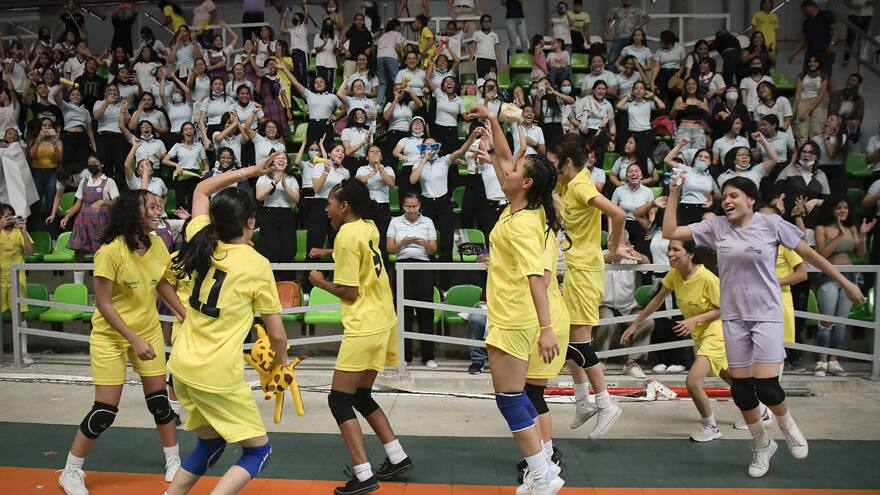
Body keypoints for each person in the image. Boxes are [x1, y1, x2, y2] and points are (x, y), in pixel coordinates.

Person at [663, 175, 865, 477]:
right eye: (724, 197)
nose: (727, 201)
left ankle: (787, 424)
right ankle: (762, 444)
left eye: (734, 195)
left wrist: (846, 283)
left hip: (767, 314)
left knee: (768, 387)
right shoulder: (717, 227)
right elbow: (670, 231)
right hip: (734, 317)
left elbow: (810, 256)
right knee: (742, 390)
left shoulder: (772, 224)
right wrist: (674, 193)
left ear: (751, 199)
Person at [165, 151, 287, 495]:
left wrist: (251, 171)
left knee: (210, 444)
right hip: (216, 373)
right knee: (259, 451)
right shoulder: (256, 264)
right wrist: (280, 363)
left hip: (181, 366)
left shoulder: (202, 237)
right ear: (250, 222)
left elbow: (202, 189)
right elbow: (277, 334)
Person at [58, 190, 185, 495]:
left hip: (148, 331)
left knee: (159, 403)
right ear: (132, 214)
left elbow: (163, 283)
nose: (158, 211)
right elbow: (103, 303)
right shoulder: (110, 251)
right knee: (105, 410)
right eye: (151, 207)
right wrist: (133, 339)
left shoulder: (158, 245)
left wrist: (186, 316)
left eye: (158, 205)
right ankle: (71, 471)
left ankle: (174, 461)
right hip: (111, 337)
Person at [466, 104, 565, 494]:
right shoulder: (524, 209)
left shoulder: (523, 223)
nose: (507, 170)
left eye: (516, 170)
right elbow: (506, 159)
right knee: (519, 396)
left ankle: (542, 474)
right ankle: (545, 468)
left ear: (526, 183)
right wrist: (492, 120)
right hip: (514, 315)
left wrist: (546, 328)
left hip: (514, 318)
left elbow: (537, 278)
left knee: (509, 399)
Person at [308, 178, 414, 495]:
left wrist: (320, 282)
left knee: (339, 400)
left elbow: (350, 292)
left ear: (344, 206)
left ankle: (364, 474)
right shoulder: (368, 226)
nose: (326, 209)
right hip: (384, 320)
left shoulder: (345, 236)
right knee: (361, 396)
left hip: (364, 324)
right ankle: (397, 456)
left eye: (330, 203)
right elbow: (360, 252)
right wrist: (329, 251)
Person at [545, 134, 626, 439]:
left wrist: (614, 249)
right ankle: (582, 402)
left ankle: (606, 404)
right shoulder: (572, 183)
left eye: (555, 164)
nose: (553, 169)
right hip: (575, 269)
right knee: (567, 341)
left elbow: (618, 214)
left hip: (584, 272)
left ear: (567, 162)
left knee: (579, 345)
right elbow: (562, 205)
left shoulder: (580, 186)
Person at [622, 239, 732, 441]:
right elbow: (657, 300)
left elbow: (724, 308)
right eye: (669, 249)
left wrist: (694, 320)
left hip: (716, 333)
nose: (670, 254)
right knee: (727, 375)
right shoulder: (674, 274)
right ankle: (758, 407)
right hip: (700, 334)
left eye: (676, 250)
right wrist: (635, 324)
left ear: (690, 254)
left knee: (693, 382)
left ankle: (711, 426)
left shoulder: (707, 278)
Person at [813, 197, 874, 377]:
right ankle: (821, 361)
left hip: (850, 278)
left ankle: (834, 361)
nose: (842, 211)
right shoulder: (821, 228)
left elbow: (861, 253)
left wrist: (862, 235)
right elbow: (821, 255)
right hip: (829, 277)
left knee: (841, 322)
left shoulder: (852, 228)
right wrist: (839, 236)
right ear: (830, 209)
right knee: (826, 321)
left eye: (845, 208)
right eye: (838, 207)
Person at [387, 193, 438, 366]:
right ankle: (404, 356)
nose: (411, 210)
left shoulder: (428, 222)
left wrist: (422, 242)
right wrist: (403, 243)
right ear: (403, 207)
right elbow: (390, 249)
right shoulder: (395, 222)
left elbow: (433, 250)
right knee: (403, 312)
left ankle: (428, 357)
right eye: (408, 207)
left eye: (414, 206)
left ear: (419, 205)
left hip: (423, 267)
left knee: (426, 312)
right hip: (402, 266)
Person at [593, 233, 653, 378]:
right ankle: (601, 360)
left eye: (618, 242)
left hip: (629, 306)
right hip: (605, 304)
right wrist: (615, 254)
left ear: (627, 244)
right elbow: (598, 260)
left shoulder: (631, 257)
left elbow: (647, 262)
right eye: (611, 241)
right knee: (607, 320)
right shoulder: (601, 254)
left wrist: (634, 253)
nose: (613, 244)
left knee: (648, 321)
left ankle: (632, 362)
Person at [61, 155, 120, 285]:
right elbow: (78, 203)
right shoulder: (84, 181)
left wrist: (103, 202)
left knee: (101, 252)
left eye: (94, 162)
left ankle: (102, 285)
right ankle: (78, 285)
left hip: (101, 222)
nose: (91, 165)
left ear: (101, 164)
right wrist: (67, 216)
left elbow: (115, 201)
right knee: (78, 251)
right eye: (89, 163)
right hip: (83, 220)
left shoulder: (109, 181)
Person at [255, 152, 299, 281]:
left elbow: (296, 199)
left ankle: (289, 284)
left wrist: (285, 186)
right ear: (272, 162)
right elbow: (259, 196)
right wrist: (274, 181)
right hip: (268, 215)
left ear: (287, 162)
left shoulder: (292, 179)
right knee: (270, 252)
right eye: (278, 158)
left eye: (284, 158)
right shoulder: (264, 177)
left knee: (288, 252)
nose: (281, 160)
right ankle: (270, 283)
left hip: (286, 214)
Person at [788, 0, 837, 77]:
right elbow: (803, 39)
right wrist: (794, 52)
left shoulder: (825, 15)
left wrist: (832, 42)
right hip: (810, 52)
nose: (804, 12)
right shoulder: (806, 22)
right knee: (806, 75)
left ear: (812, 7)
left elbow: (834, 29)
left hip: (824, 51)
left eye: (805, 10)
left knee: (825, 76)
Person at [0, 206, 32, 319]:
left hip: (17, 278)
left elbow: (30, 252)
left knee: (19, 312)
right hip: (1, 277)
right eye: (4, 216)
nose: (8, 219)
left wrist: (24, 232)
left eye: (10, 215)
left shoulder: (19, 232)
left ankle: (22, 330)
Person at [792, 56, 828, 147]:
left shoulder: (823, 77)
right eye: (810, 62)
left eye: (815, 61)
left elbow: (821, 95)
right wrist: (794, 109)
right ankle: (801, 152)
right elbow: (798, 93)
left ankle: (815, 152)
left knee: (816, 130)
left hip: (816, 103)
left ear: (819, 63)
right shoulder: (801, 76)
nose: (812, 64)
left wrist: (809, 109)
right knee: (801, 131)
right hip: (803, 102)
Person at [811, 114, 848, 194]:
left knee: (836, 196)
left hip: (836, 171)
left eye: (832, 119)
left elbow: (831, 154)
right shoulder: (815, 139)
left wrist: (826, 136)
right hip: (820, 170)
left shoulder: (841, 137)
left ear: (838, 125)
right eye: (827, 119)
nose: (828, 121)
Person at [828, 73, 864, 143]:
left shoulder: (860, 99)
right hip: (836, 122)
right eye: (849, 80)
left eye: (853, 80)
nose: (849, 82)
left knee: (854, 124)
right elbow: (832, 111)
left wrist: (848, 121)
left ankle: (847, 142)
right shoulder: (837, 94)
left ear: (858, 84)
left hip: (848, 124)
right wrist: (839, 121)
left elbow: (859, 117)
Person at [376, 20, 405, 107]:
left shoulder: (383, 36)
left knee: (382, 82)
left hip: (379, 57)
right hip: (391, 56)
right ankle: (399, 101)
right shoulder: (397, 34)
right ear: (397, 27)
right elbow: (397, 47)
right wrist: (401, 58)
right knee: (396, 80)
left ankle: (379, 104)